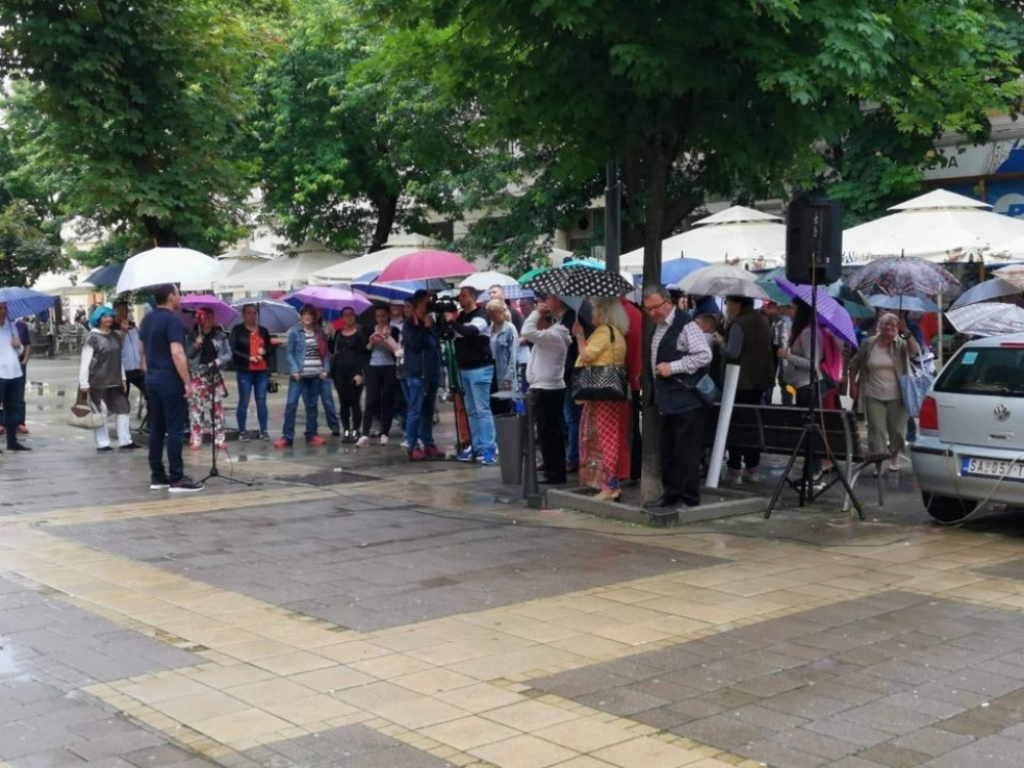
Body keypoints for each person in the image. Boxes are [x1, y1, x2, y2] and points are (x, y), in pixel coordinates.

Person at [642, 285, 712, 511]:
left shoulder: (686, 325)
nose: (653, 313)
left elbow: (704, 355)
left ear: (667, 302)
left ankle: (689, 498)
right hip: (667, 399)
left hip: (687, 398)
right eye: (648, 309)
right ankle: (671, 494)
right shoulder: (658, 327)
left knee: (687, 452)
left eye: (656, 307)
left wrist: (673, 367)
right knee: (669, 450)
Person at [139, 285, 202, 491]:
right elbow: (177, 352)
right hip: (170, 380)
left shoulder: (147, 319)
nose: (181, 298)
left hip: (152, 379)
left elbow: (142, 350)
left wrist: (148, 369)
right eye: (178, 294)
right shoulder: (172, 320)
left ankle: (157, 475)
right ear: (170, 297)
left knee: (157, 428)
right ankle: (177, 477)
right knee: (175, 428)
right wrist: (186, 381)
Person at [572, 297, 631, 500]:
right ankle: (609, 484)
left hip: (601, 392)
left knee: (605, 438)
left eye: (595, 310)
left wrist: (580, 336)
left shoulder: (604, 331)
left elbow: (588, 355)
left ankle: (609, 486)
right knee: (609, 435)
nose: (592, 314)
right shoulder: (617, 332)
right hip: (611, 391)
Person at [849, 312, 920, 472]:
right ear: (879, 327)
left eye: (892, 326)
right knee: (876, 430)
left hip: (898, 395)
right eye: (885, 325)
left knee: (897, 430)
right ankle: (879, 462)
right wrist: (852, 385)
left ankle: (894, 458)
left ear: (896, 328)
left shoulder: (901, 343)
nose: (888, 328)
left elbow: (915, 350)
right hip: (872, 393)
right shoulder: (869, 343)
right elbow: (854, 364)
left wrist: (906, 332)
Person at [719, 295, 774, 484]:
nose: (727, 307)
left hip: (740, 382)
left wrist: (719, 342)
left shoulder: (739, 324)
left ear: (738, 304)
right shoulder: (763, 320)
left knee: (736, 426)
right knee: (752, 424)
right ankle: (753, 466)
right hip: (759, 381)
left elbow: (732, 352)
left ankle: (734, 468)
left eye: (729, 303)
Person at [521, 300, 571, 484]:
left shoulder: (552, 336)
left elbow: (526, 331)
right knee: (549, 433)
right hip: (547, 387)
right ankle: (553, 470)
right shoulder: (554, 335)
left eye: (538, 321)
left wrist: (536, 312)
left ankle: (555, 473)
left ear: (544, 321)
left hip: (547, 389)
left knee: (548, 434)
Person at [80, 307, 138, 452]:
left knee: (123, 408)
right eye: (104, 317)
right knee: (101, 412)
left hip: (115, 380)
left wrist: (123, 378)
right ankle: (102, 443)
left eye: (110, 316)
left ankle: (125, 440)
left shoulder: (114, 336)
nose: (108, 319)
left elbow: (118, 359)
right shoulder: (91, 337)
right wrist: (84, 382)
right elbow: (85, 361)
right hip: (97, 381)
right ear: (98, 319)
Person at [450, 286, 497, 465]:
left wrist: (451, 321)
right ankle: (476, 445)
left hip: (480, 367)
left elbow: (470, 332)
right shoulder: (461, 317)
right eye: (459, 296)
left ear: (473, 297)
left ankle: (489, 447)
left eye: (463, 296)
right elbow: (450, 334)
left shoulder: (482, 315)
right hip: (465, 368)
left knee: (482, 408)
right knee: (471, 410)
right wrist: (445, 321)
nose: (460, 299)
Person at [275, 304, 331, 448]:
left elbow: (325, 354)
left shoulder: (320, 333)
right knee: (291, 404)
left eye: (310, 314)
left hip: (315, 375)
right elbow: (289, 353)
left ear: (314, 317)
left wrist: (325, 369)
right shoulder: (294, 332)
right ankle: (287, 436)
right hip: (299, 375)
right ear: (301, 316)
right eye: (305, 314)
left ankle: (311, 434)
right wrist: (294, 370)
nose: (307, 317)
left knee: (312, 405)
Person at [402, 290, 445, 460]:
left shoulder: (431, 321)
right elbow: (416, 344)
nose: (429, 305)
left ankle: (428, 443)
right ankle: (412, 445)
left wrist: (437, 322)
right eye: (427, 302)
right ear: (419, 304)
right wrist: (425, 328)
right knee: (415, 411)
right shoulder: (409, 324)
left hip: (431, 373)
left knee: (428, 412)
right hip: (416, 374)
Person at [186, 308, 231, 451]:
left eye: (212, 316)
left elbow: (228, 354)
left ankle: (219, 437)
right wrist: (195, 345)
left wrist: (219, 361)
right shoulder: (192, 335)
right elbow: (188, 355)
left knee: (216, 407)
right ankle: (196, 437)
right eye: (207, 316)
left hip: (214, 373)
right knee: (196, 408)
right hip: (198, 374)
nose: (210, 319)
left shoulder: (219, 335)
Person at [357, 306, 400, 447]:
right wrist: (372, 342)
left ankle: (384, 433)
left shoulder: (394, 330)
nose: (380, 319)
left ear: (387, 316)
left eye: (383, 316)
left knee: (387, 400)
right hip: (373, 367)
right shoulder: (369, 330)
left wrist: (386, 341)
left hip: (389, 367)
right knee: (371, 400)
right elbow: (365, 349)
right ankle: (365, 433)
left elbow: (397, 351)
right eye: (378, 316)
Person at [229, 304, 272, 440]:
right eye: (248, 313)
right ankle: (242, 430)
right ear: (243, 315)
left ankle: (264, 430)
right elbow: (233, 350)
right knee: (244, 400)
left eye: (254, 313)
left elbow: (270, 347)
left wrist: (264, 352)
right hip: (245, 370)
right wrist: (249, 357)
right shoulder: (237, 330)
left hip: (261, 370)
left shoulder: (263, 331)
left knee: (261, 400)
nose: (252, 316)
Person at [330, 306, 367, 443]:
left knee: (354, 402)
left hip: (354, 372)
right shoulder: (338, 333)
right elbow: (331, 350)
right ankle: (346, 429)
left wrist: (359, 373)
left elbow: (362, 355)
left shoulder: (359, 334)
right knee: (343, 402)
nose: (349, 317)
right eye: (345, 315)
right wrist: (330, 336)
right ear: (342, 318)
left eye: (351, 314)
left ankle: (356, 429)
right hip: (339, 372)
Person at [0, 302, 31, 452]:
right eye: (0, 308)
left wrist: (18, 345)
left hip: (14, 372)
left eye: (4, 308)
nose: (3, 311)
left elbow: (19, 351)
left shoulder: (11, 327)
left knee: (12, 408)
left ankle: (12, 441)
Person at [486, 298, 519, 416]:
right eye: (489, 314)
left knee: (505, 405)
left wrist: (509, 377)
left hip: (504, 370)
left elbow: (513, 354)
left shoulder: (510, 328)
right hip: (490, 370)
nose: (491, 317)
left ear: (500, 312)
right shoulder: (489, 329)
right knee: (493, 403)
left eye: (493, 314)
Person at [114, 300, 145, 408]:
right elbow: (115, 347)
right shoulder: (112, 328)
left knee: (150, 393)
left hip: (137, 368)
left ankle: (152, 421)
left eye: (125, 310)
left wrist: (143, 361)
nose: (123, 313)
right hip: (122, 371)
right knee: (123, 400)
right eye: (120, 310)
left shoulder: (134, 327)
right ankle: (124, 424)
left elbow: (141, 344)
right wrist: (123, 332)